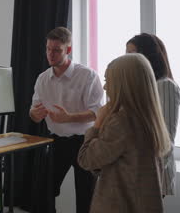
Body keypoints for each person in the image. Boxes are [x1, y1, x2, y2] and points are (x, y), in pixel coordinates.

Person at [78, 53, 171, 213]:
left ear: (124, 84)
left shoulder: (122, 122)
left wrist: (97, 124)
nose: (105, 87)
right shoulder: (149, 118)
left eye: (108, 81)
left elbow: (86, 159)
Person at [29, 27, 104, 213]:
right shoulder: (42, 79)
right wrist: (34, 115)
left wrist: (69, 117)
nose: (50, 54)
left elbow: (99, 112)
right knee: (42, 193)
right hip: (57, 141)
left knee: (86, 198)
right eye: (48, 49)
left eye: (56, 50)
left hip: (85, 142)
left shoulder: (88, 76)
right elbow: (33, 110)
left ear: (68, 50)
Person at [126, 33, 180, 196]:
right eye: (126, 54)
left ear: (147, 57)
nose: (127, 59)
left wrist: (145, 176)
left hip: (151, 176)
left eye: (132, 54)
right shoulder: (140, 85)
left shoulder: (165, 86)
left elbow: (165, 141)